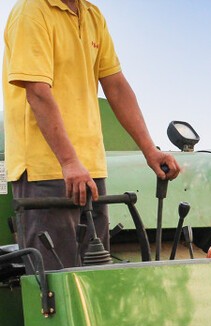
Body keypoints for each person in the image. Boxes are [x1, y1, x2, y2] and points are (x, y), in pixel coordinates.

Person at [3, 0, 180, 269]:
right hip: (47, 171)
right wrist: (69, 162)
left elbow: (116, 86)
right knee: (54, 284)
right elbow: (37, 92)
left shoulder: (92, 15)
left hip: (90, 172)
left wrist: (149, 150)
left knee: (96, 280)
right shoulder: (32, 11)